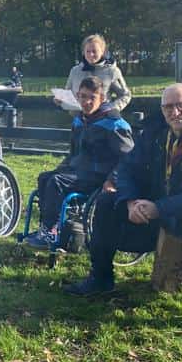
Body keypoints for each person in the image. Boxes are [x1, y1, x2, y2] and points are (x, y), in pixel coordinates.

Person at [65, 84, 182, 336]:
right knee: (107, 200)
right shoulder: (154, 131)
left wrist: (159, 208)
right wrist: (129, 202)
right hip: (159, 208)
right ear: (162, 110)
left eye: (181, 105)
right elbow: (127, 168)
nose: (175, 112)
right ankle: (101, 278)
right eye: (169, 107)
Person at [26, 77, 134, 247]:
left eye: (92, 97)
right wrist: (61, 167)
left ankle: (49, 233)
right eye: (82, 96)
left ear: (102, 98)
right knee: (45, 177)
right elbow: (74, 153)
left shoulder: (114, 124)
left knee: (56, 182)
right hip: (78, 170)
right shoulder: (79, 120)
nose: (86, 102)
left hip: (100, 175)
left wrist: (112, 180)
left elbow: (128, 157)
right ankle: (48, 228)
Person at [62, 34, 132, 112]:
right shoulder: (75, 71)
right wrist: (61, 101)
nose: (91, 54)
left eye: (94, 51)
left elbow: (125, 95)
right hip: (78, 119)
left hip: (103, 119)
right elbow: (67, 94)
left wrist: (112, 108)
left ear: (102, 51)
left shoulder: (112, 71)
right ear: (83, 52)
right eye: (88, 51)